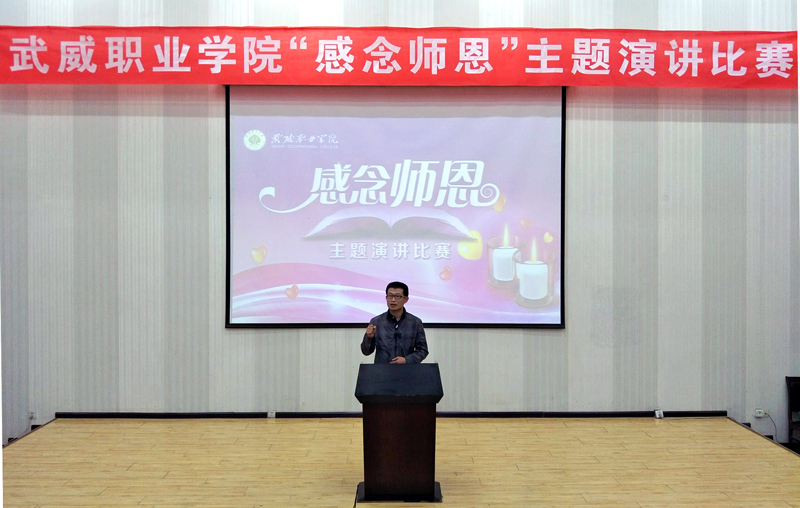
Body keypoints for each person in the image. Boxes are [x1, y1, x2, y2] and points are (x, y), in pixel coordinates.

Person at [361, 281, 429, 364]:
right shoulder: (376, 321)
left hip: (407, 369)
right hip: (382, 370)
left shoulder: (415, 322)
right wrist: (369, 338)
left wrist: (407, 360)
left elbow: (423, 350)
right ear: (386, 298)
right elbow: (366, 351)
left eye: (397, 296)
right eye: (390, 296)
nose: (393, 300)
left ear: (405, 299)